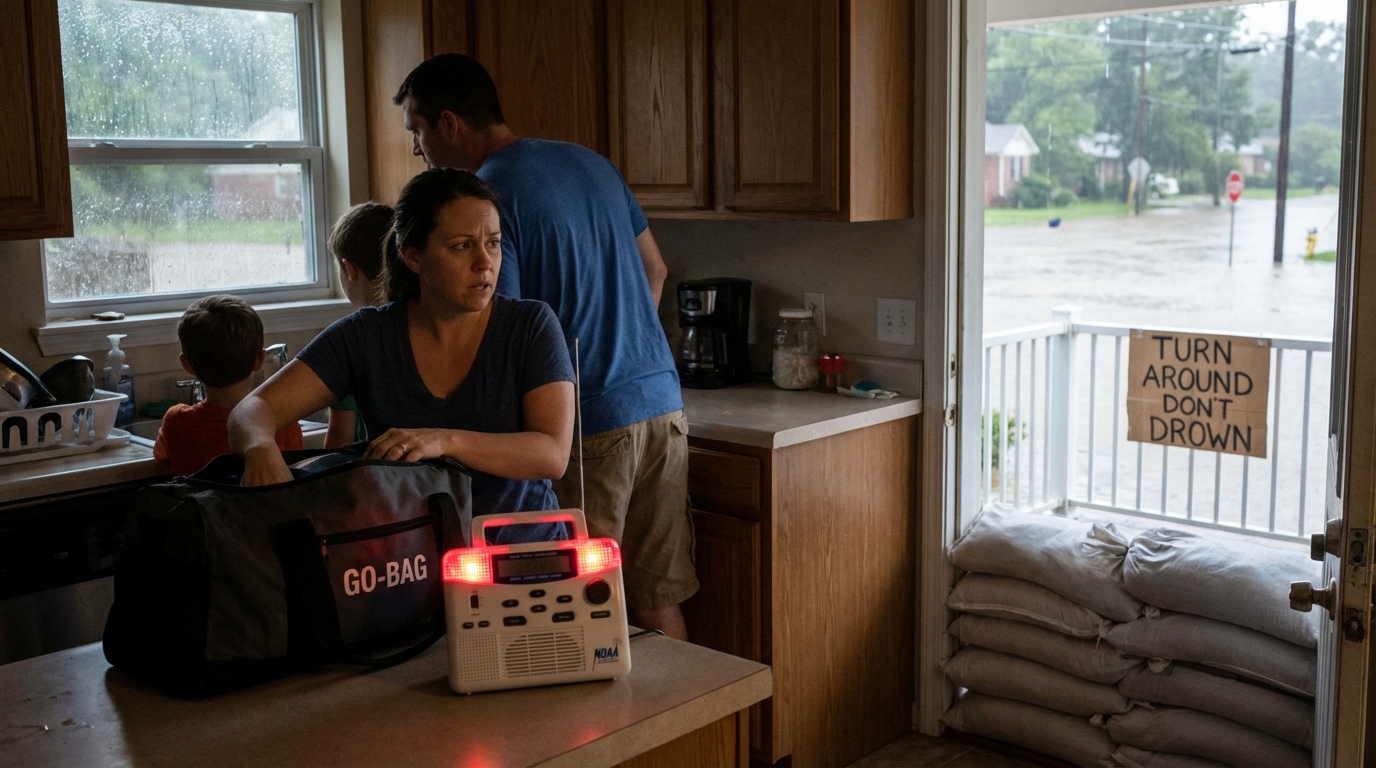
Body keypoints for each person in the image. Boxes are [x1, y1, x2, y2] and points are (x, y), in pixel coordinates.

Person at [393, 54, 694, 640]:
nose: (420, 151)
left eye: (417, 133)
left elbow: (496, 328)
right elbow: (655, 270)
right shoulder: (593, 163)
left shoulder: (488, 198)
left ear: (449, 124)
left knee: (577, 604)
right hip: (663, 407)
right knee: (655, 602)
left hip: (588, 426)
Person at [228, 169, 575, 544]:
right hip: (404, 567)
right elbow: (252, 410)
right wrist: (259, 448)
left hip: (523, 554)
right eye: (462, 246)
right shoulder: (366, 336)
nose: (484, 262)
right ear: (412, 256)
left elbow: (551, 455)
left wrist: (443, 440)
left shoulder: (531, 326)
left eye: (493, 243)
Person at [154, 295, 304, 477]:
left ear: (187, 365)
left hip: (201, 506)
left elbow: (161, 457)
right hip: (268, 506)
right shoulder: (284, 423)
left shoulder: (176, 422)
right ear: (259, 360)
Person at [323, 201, 392, 448]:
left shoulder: (355, 341)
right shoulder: (421, 321)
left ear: (348, 268)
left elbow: (340, 437)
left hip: (370, 476)